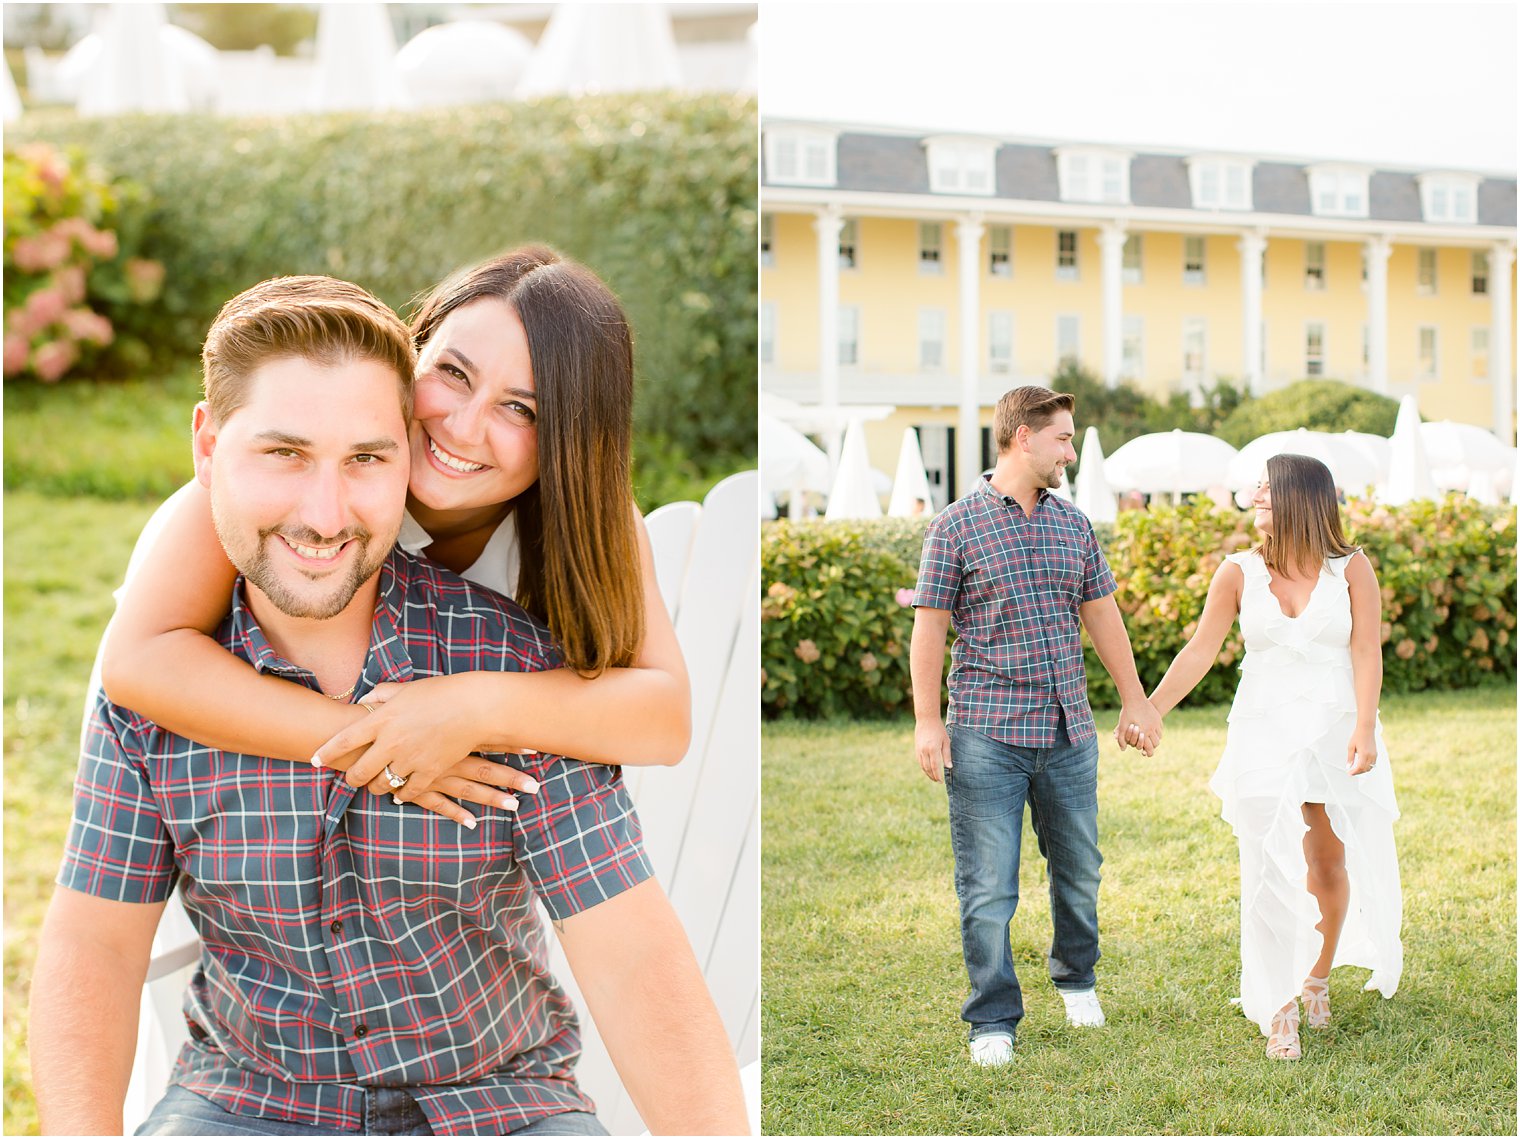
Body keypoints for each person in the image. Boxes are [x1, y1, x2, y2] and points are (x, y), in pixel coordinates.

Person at [28, 275, 747, 1136]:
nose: (324, 510)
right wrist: (374, 736)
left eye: (365, 459)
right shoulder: (176, 639)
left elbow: (636, 947)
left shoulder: (527, 668)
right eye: (285, 453)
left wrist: (472, 707)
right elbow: (94, 942)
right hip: (252, 1096)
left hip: (495, 1100)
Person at [97, 246, 690, 829]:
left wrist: (471, 709)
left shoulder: (588, 522)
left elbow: (664, 717)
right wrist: (379, 741)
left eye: (521, 410)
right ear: (414, 356)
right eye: (454, 374)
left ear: (569, 438)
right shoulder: (276, 495)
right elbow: (139, 659)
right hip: (239, 814)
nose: (462, 428)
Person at [910, 385, 1163, 1067]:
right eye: (1063, 438)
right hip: (986, 734)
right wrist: (928, 721)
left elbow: (1103, 616)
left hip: (1068, 731)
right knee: (989, 885)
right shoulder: (955, 526)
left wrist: (1135, 700)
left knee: (1080, 871)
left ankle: (1077, 979)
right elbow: (928, 629)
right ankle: (992, 1017)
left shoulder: (1073, 524)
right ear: (1023, 437)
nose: (1070, 451)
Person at [1137, 453, 1402, 1061]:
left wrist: (1365, 726)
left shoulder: (1353, 569)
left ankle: (1317, 977)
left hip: (1336, 728)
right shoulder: (1237, 572)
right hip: (1262, 731)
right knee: (1264, 871)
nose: (1255, 498)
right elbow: (1201, 649)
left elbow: (1366, 651)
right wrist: (1152, 708)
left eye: (1266, 490)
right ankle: (1277, 1005)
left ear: (1301, 498)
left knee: (1327, 864)